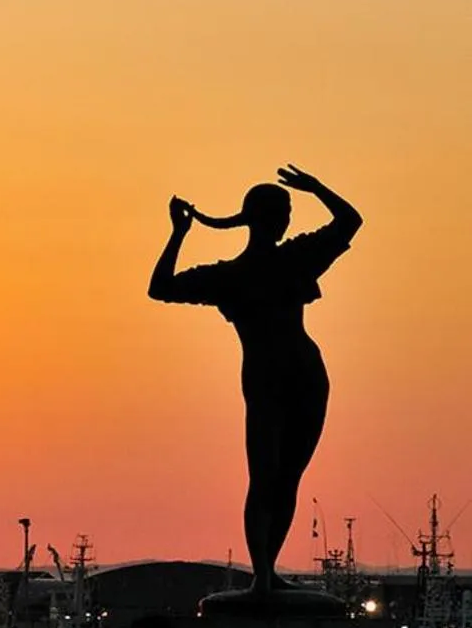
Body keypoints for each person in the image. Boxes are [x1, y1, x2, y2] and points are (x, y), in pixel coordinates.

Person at [149, 165, 363, 598]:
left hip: (297, 376)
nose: (287, 219)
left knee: (281, 478)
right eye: (283, 210)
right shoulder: (260, 267)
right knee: (268, 477)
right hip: (279, 378)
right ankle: (262, 575)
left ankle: (266, 573)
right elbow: (161, 288)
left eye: (288, 210)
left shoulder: (267, 265)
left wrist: (180, 234)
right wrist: (316, 187)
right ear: (264, 217)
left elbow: (162, 286)